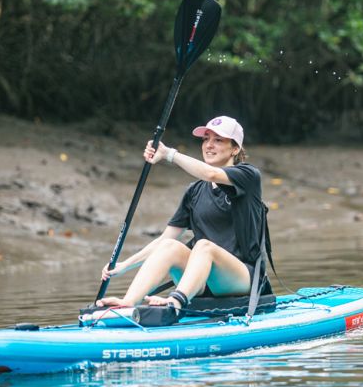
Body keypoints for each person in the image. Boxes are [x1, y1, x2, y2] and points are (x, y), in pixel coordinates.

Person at [96, 116, 268, 314]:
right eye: (206, 139)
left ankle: (175, 303)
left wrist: (168, 153)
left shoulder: (248, 175)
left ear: (235, 148)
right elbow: (164, 239)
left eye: (218, 140)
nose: (209, 145)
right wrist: (123, 266)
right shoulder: (194, 191)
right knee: (169, 246)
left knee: (204, 246)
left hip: (243, 277)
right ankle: (128, 302)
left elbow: (211, 174)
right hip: (203, 279)